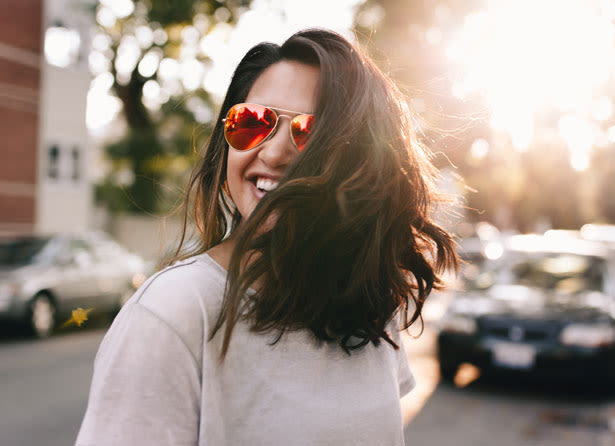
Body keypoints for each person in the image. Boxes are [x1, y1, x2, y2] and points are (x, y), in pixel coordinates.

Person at [75, 28, 457, 446]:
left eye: (310, 132)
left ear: (363, 163)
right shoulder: (173, 312)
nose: (273, 154)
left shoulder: (367, 305)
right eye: (252, 123)